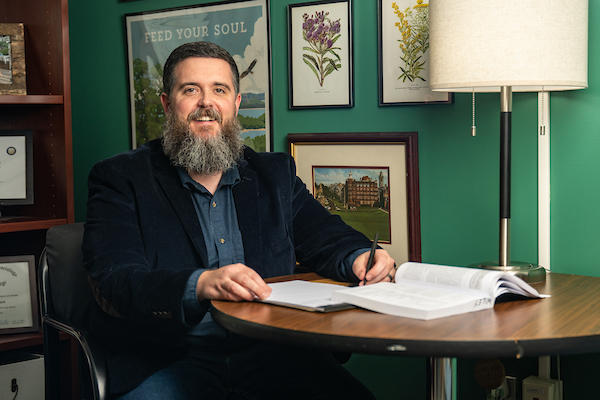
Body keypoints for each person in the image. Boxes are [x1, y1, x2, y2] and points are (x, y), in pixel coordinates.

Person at [82, 41, 396, 400]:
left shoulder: (272, 173)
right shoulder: (120, 177)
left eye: (219, 90)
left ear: (236, 103)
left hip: (270, 350)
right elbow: (115, 281)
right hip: (169, 356)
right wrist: (202, 284)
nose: (206, 103)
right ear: (167, 104)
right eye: (190, 90)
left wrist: (359, 256)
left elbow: (324, 235)